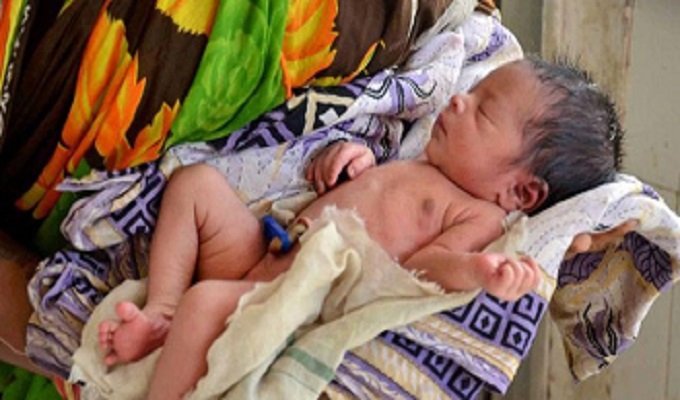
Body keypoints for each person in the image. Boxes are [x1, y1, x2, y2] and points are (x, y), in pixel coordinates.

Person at [98, 56, 623, 398]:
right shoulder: (422, 159)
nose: (459, 101)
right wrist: (347, 160)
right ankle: (160, 313)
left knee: (203, 306)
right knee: (195, 184)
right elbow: (361, 191)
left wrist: (479, 270)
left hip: (286, 295)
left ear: (521, 193)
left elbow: (425, 268)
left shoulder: (478, 215)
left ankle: (170, 351)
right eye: (473, 91)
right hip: (267, 248)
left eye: (483, 112)